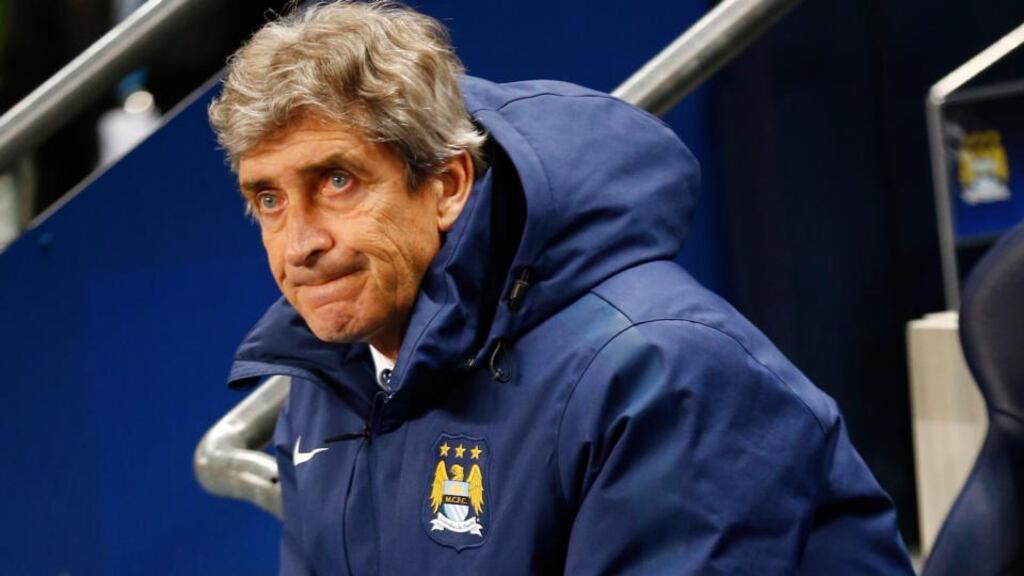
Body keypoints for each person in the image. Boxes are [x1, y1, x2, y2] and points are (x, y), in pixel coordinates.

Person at [209, 2, 915, 574]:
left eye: (338, 181)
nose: (300, 243)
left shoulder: (663, 372)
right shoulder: (333, 379)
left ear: (448, 185)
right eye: (268, 199)